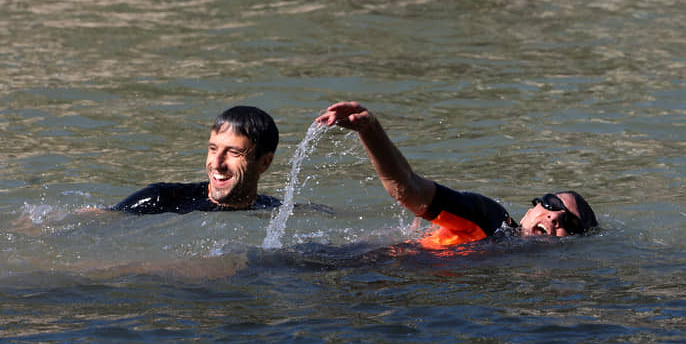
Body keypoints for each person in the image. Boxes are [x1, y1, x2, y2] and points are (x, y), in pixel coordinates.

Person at [315, 102, 597, 247]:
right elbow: (407, 187)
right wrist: (370, 130)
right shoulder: (490, 220)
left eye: (570, 225)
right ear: (528, 211)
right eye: (551, 204)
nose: (555, 216)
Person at [113, 106, 281, 214]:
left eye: (233, 152)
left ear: (264, 162)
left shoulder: (273, 211)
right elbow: (103, 220)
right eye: (213, 149)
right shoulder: (160, 200)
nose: (217, 163)